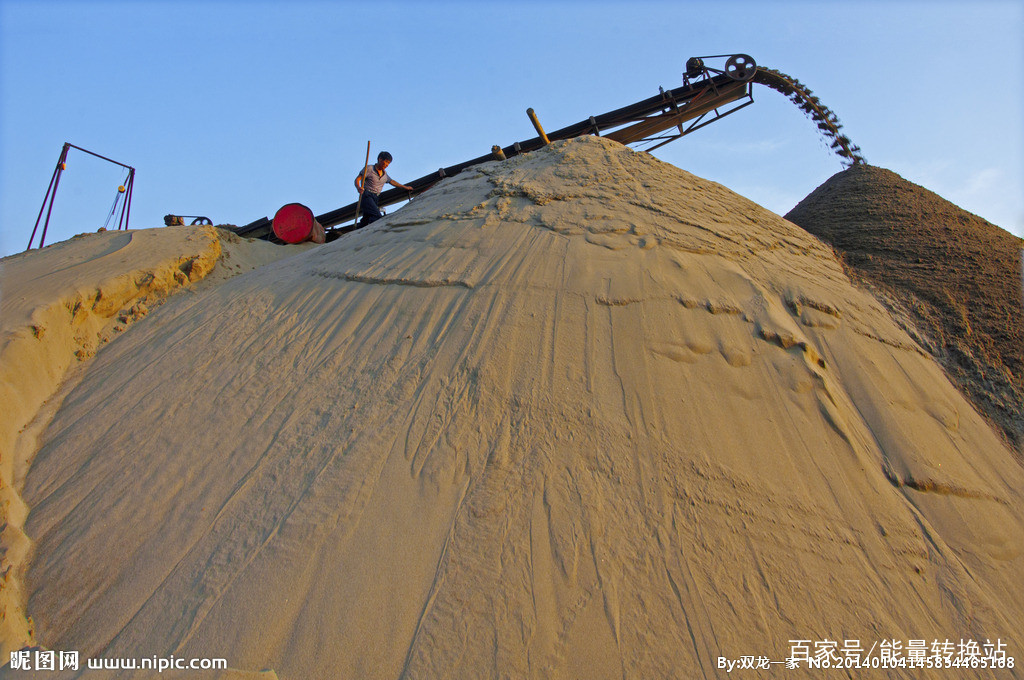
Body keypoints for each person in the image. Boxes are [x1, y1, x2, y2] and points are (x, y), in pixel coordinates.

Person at [355, 151, 413, 227]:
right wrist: (358, 187)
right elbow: (357, 179)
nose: (387, 165)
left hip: (376, 197)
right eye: (386, 162)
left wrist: (405, 187)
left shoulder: (385, 174)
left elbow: (392, 182)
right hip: (367, 195)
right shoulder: (369, 168)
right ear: (380, 159)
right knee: (376, 216)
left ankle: (356, 232)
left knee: (367, 218)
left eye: (388, 163)